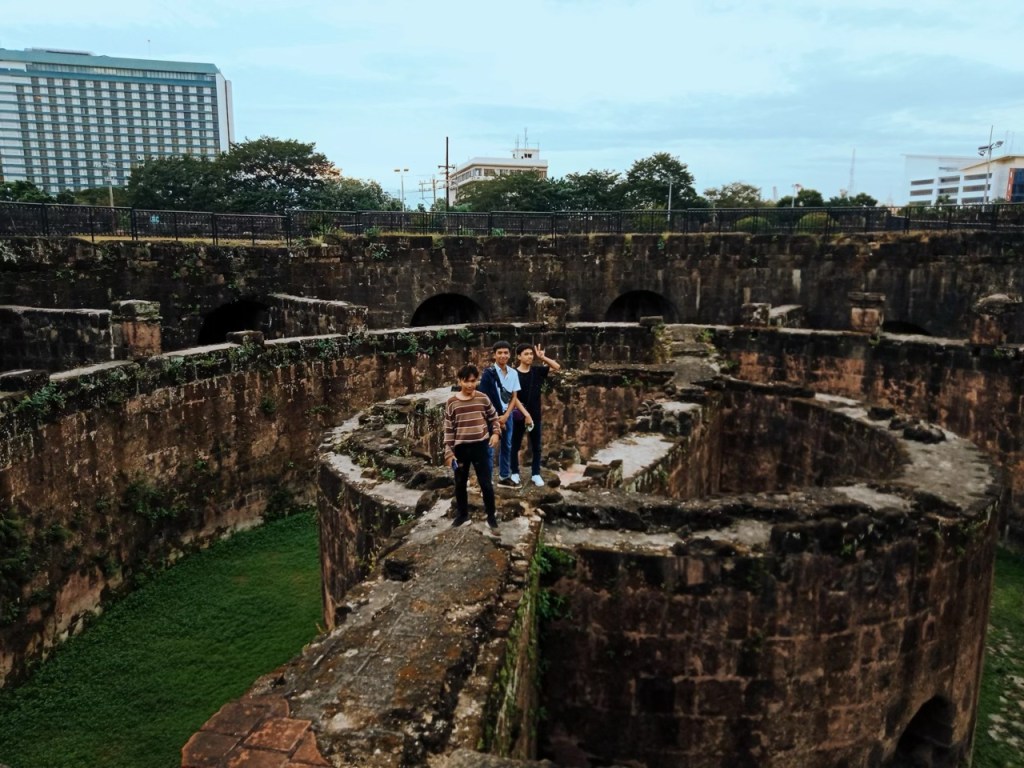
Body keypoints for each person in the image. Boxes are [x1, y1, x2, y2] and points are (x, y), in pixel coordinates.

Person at [444, 364, 501, 529]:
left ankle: (491, 515)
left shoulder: (482, 398)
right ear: (460, 381)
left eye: (473, 381)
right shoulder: (452, 402)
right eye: (466, 381)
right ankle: (462, 515)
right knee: (460, 483)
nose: (470, 385)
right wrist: (449, 452)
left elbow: (494, 417)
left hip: (481, 446)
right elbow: (448, 429)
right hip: (461, 448)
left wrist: (496, 433)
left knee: (486, 483)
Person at [479, 340, 531, 486]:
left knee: (507, 445)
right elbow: (484, 398)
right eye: (500, 353)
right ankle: (486, 479)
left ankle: (504, 476)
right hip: (491, 416)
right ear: (494, 355)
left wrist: (507, 415)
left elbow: (514, 396)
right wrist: (495, 418)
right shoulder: (488, 374)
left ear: (510, 355)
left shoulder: (513, 373)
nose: (503, 355)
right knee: (489, 447)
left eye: (506, 353)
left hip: (507, 415)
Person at [510, 343, 561, 487]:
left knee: (536, 446)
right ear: (519, 356)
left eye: (531, 354)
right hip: (519, 414)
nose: (530, 356)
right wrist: (526, 414)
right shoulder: (513, 373)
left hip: (535, 414)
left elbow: (556, 367)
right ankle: (514, 472)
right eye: (526, 354)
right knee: (515, 444)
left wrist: (543, 357)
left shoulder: (537, 371)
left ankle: (536, 474)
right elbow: (513, 397)